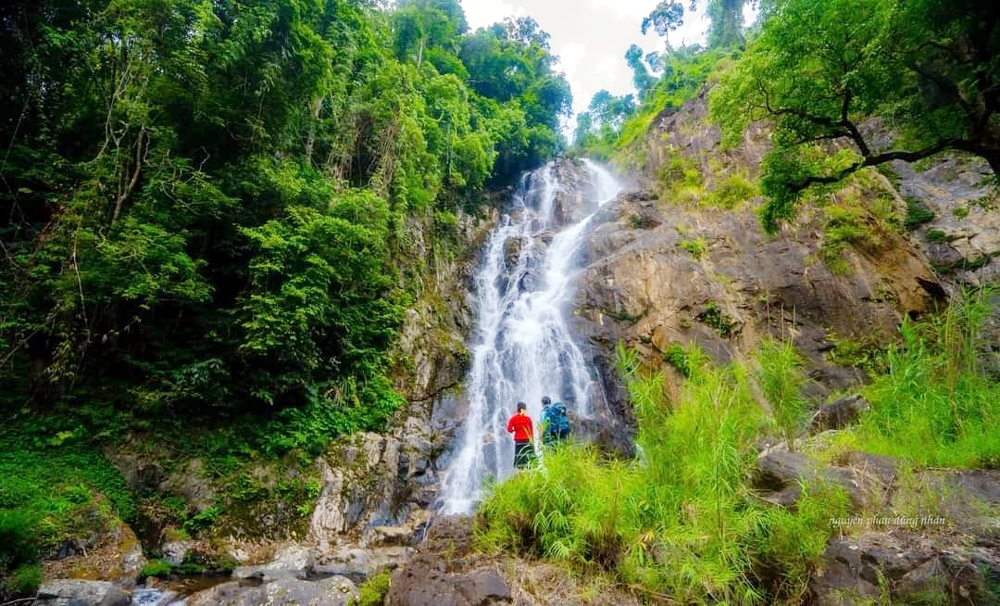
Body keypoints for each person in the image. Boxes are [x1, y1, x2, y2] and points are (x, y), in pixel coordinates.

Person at [506, 402, 535, 469]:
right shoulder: (528, 419)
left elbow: (509, 429)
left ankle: (521, 470)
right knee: (528, 454)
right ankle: (529, 469)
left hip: (519, 440)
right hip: (527, 440)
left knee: (520, 455)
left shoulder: (513, 419)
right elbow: (531, 431)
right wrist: (532, 440)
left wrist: (515, 430)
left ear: (517, 409)